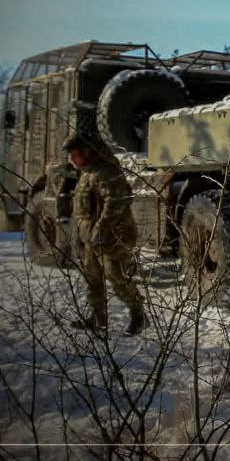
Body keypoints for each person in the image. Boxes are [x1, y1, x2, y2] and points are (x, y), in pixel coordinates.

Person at [63, 132, 147, 336]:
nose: (72, 159)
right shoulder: (87, 173)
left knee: (116, 276)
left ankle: (139, 316)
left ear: (86, 152)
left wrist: (101, 229)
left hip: (115, 237)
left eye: (75, 154)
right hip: (92, 240)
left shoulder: (106, 172)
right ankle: (97, 320)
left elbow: (116, 202)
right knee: (92, 279)